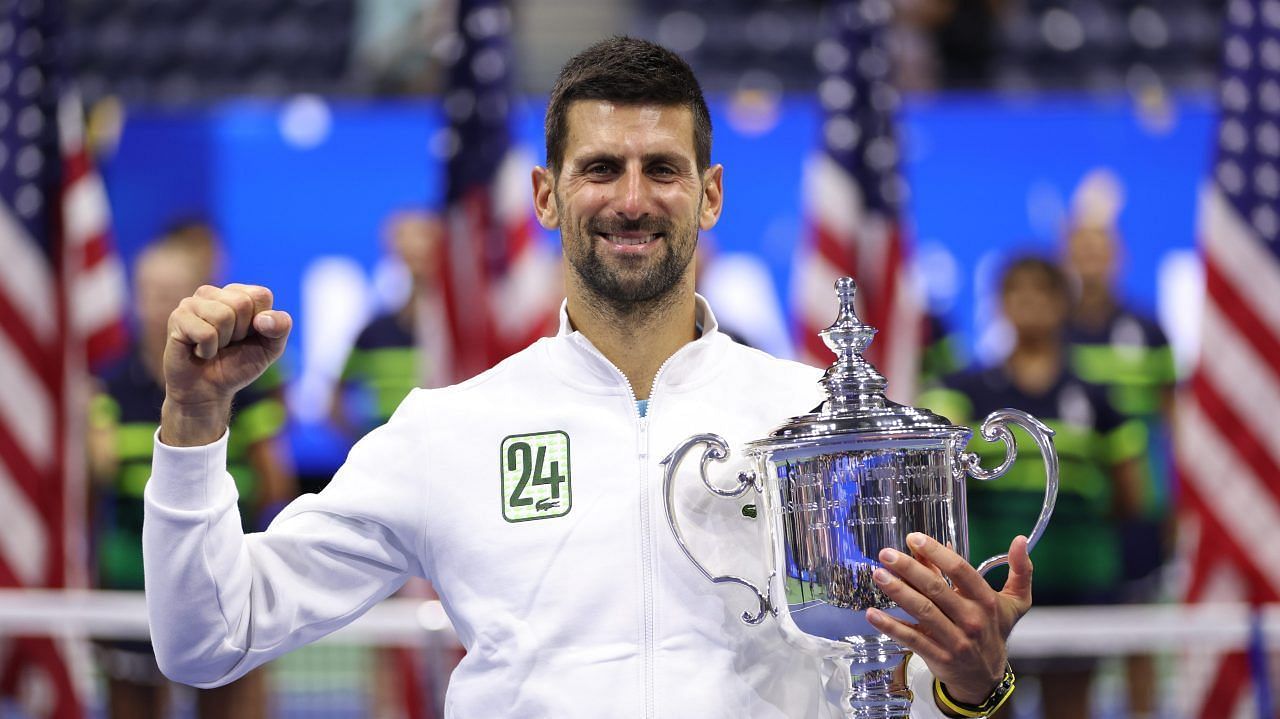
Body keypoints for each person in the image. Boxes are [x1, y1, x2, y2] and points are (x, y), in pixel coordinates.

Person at [144, 38, 1031, 718]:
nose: (632, 199)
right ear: (545, 194)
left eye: (663, 169)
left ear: (712, 194)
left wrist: (975, 684)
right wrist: (194, 418)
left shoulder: (816, 420)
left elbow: (907, 680)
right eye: (601, 168)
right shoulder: (449, 429)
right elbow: (206, 637)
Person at [918, 257, 1144, 719]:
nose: (1030, 303)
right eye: (1017, 292)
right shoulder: (965, 389)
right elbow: (933, 468)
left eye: (1043, 292)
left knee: (1070, 707)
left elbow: (1131, 495)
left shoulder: (1098, 395)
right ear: (999, 303)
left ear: (1065, 305)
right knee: (992, 702)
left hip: (1077, 585)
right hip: (988, 587)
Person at [89, 226, 295, 719]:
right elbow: (93, 481)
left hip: (227, 582)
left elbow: (275, 481)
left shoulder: (247, 378)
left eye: (168, 293)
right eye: (147, 293)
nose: (157, 305)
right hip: (127, 585)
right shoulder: (108, 385)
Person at [1062, 222, 1176, 719]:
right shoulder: (1053, 330)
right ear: (1067, 255)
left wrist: (1172, 502)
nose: (1091, 257)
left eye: (1100, 247)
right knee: (1066, 651)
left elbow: (1172, 424)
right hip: (1075, 512)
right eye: (1081, 247)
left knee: (1138, 631)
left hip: (1137, 508)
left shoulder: (1148, 330)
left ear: (1118, 255)